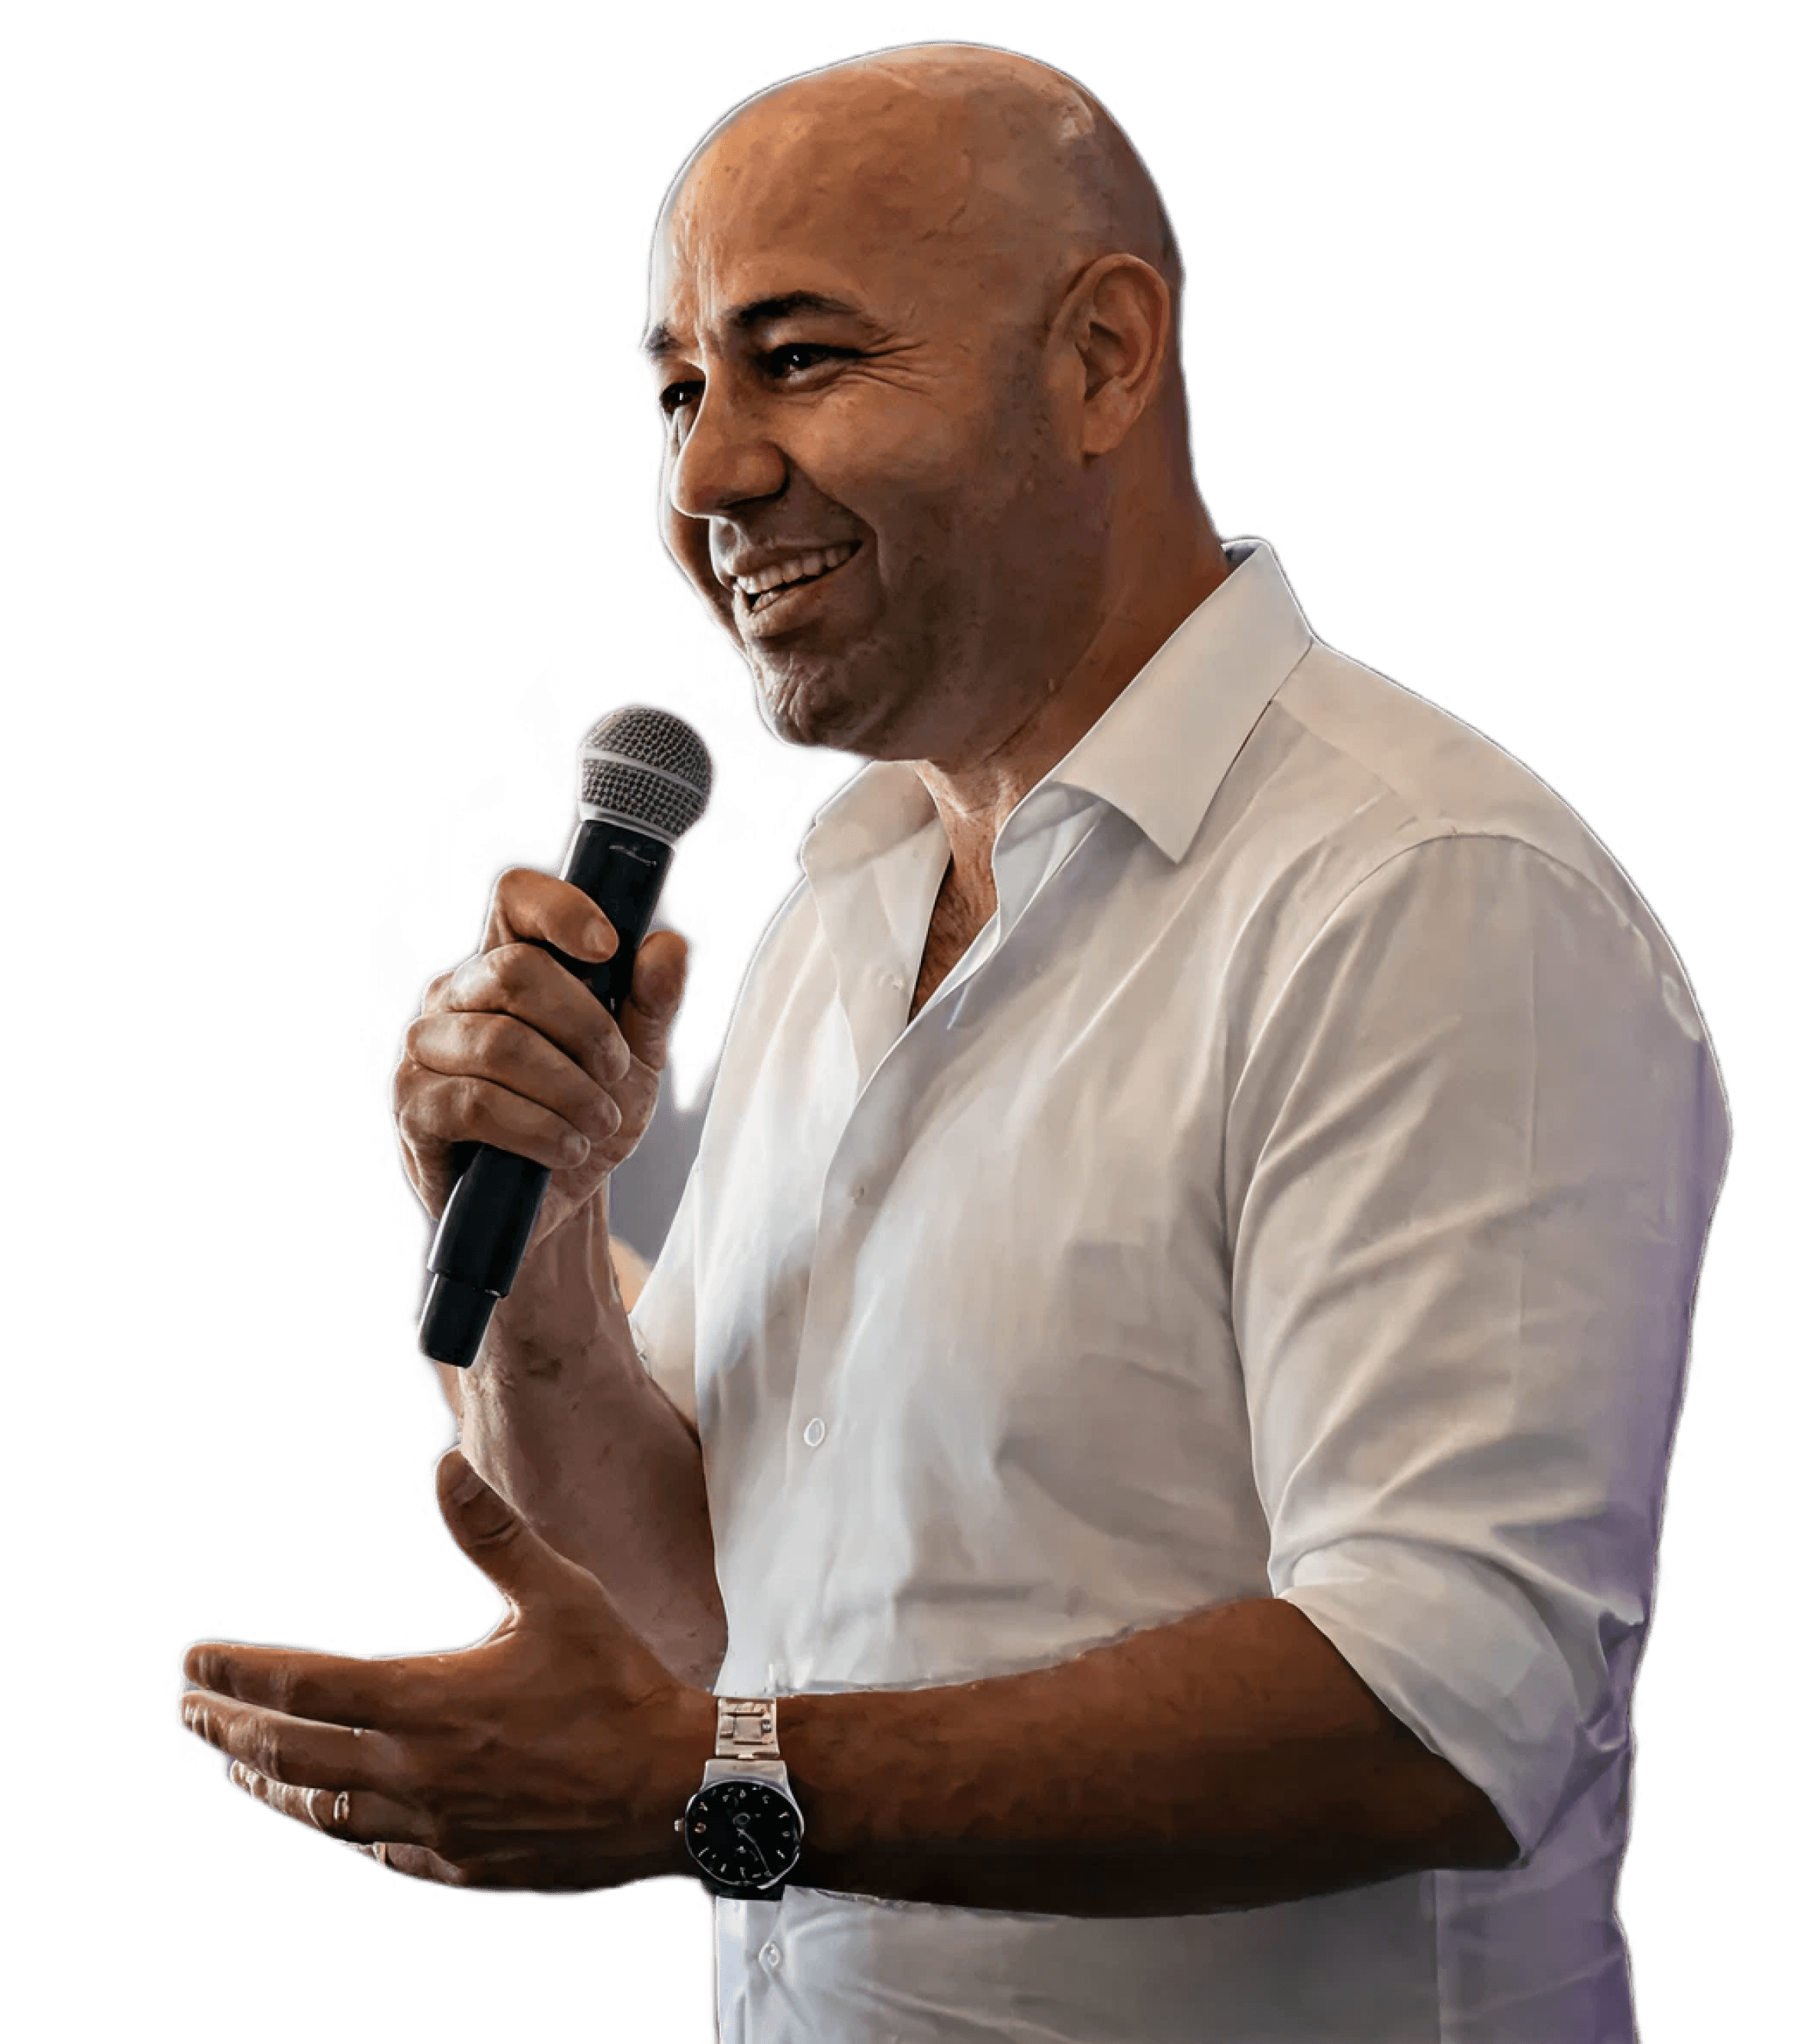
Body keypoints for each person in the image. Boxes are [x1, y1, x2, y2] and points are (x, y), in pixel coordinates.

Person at [175, 41, 1732, 2043]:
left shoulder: (1425, 895)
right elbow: (735, 1609)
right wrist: (545, 1251)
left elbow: (1443, 1710)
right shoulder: (847, 913)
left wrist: (701, 1792)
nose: (704, 476)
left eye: (800, 360)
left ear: (1102, 359)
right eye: (676, 391)